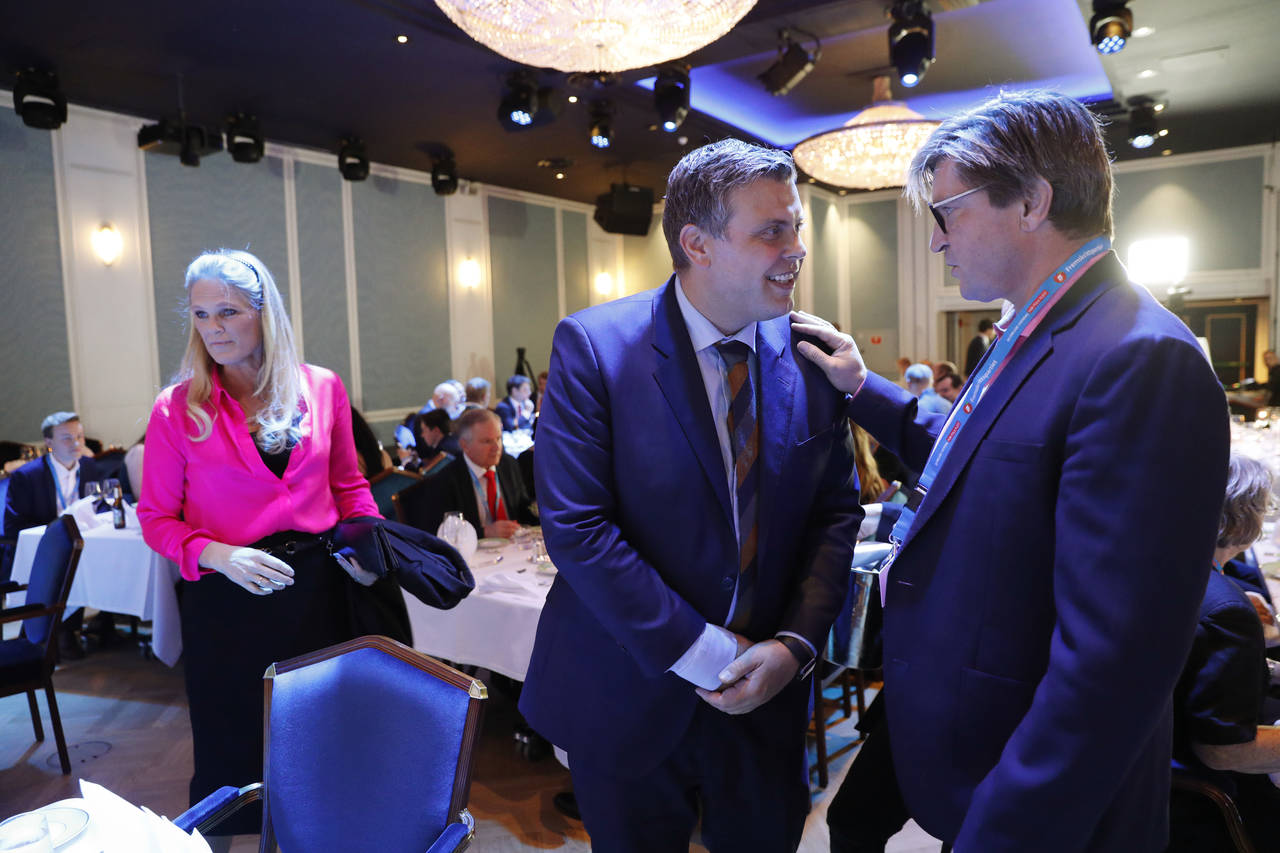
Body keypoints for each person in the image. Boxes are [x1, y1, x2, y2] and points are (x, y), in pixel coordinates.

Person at [793, 90, 1229, 852]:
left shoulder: (1139, 356)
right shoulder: (1046, 322)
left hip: (1042, 787)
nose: (936, 241)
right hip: (972, 715)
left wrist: (1008, 829)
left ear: (1030, 201)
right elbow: (987, 454)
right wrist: (863, 387)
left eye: (947, 212)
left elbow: (1114, 658)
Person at [519, 138, 862, 852]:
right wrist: (709, 653)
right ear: (697, 244)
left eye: (795, 225)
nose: (796, 248)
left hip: (768, 699)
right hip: (627, 689)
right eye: (772, 230)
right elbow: (579, 529)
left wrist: (794, 646)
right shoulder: (595, 346)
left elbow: (836, 516)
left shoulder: (812, 353)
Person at [138, 249, 380, 849]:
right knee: (230, 743)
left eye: (228, 312)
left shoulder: (321, 387)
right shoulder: (176, 409)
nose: (214, 328)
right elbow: (156, 519)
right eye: (201, 315)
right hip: (229, 601)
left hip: (317, 596)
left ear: (263, 312)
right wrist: (218, 554)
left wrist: (368, 542)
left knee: (318, 738)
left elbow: (350, 485)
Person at [1170, 453, 1280, 851]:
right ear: (1246, 519)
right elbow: (1221, 750)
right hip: (1214, 792)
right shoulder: (1227, 609)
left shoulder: (1183, 566)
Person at [3, 411, 102, 655]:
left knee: (104, 558)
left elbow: (100, 507)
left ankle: (103, 622)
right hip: (42, 548)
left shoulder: (89, 467)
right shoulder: (27, 476)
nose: (77, 443)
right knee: (66, 560)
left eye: (80, 436)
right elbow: (13, 527)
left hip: (84, 541)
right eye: (67, 438)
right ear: (49, 443)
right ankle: (61, 632)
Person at [432, 407, 536, 538]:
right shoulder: (446, 480)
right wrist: (484, 532)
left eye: (498, 438)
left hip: (513, 547)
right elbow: (444, 534)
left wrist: (539, 508)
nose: (496, 447)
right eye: (487, 441)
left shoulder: (509, 465)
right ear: (465, 445)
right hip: (473, 554)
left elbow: (522, 509)